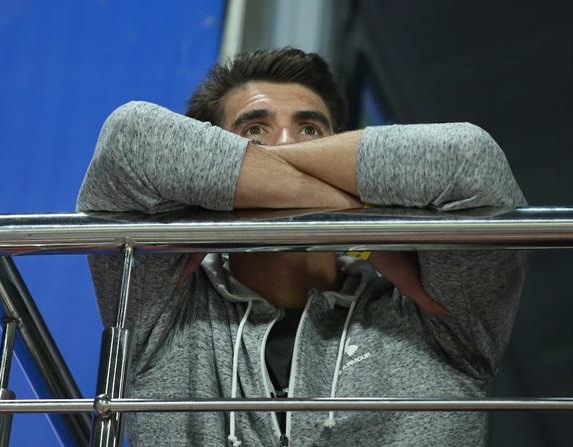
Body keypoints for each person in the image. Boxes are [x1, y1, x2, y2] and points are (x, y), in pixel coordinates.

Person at [77, 48, 526, 446]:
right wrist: (357, 218)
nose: (287, 141)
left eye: (311, 131)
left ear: (343, 152)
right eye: (254, 132)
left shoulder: (435, 313)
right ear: (203, 174)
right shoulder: (164, 305)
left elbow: (469, 159)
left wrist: (256, 182)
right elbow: (129, 138)